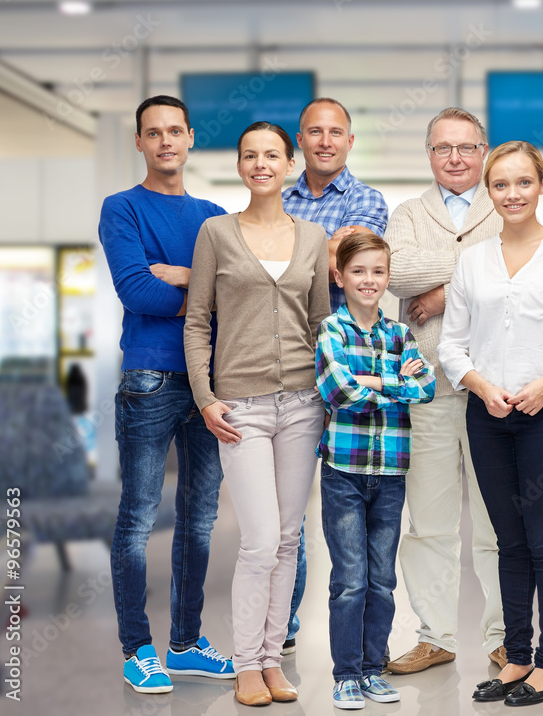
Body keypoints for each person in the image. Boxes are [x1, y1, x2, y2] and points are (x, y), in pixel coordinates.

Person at [439, 141, 543, 707]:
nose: (512, 194)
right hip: (486, 414)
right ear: (490, 193)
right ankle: (515, 658)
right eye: (501, 185)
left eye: (522, 183)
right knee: (506, 542)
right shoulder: (472, 260)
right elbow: (451, 345)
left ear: (541, 185)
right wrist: (482, 387)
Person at [183, 122, 330, 706]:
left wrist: (332, 395)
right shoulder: (215, 232)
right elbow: (197, 322)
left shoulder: (314, 236)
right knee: (260, 539)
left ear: (289, 164)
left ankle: (273, 662)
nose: (261, 163)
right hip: (238, 406)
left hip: (302, 404)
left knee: (290, 538)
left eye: (272, 154)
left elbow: (321, 324)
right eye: (251, 155)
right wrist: (205, 396)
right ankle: (246, 663)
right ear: (240, 165)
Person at [99, 95, 234, 694]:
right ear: (139, 142)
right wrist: (202, 297)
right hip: (150, 379)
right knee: (138, 517)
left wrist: (180, 279)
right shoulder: (121, 208)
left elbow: (238, 295)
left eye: (175, 131)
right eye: (153, 133)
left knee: (200, 520)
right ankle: (137, 650)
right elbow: (136, 291)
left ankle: (184, 643)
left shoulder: (211, 214)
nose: (165, 142)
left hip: (210, 383)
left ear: (190, 137)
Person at [385, 108, 506, 673]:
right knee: (428, 521)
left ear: (483, 151)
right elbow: (395, 273)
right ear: (429, 153)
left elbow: (517, 279)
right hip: (427, 390)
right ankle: (435, 636)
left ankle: (505, 635)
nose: (454, 158)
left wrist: (436, 293)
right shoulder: (407, 213)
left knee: (497, 520)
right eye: (442, 148)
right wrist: (470, 270)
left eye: (466, 147)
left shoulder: (506, 202)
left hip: (493, 389)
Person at [282, 96, 388, 654]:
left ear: (349, 141)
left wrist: (298, 253)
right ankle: (286, 627)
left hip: (349, 363)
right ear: (301, 140)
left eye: (336, 132)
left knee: (355, 495)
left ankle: (365, 637)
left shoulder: (369, 200)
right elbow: (318, 260)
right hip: (285, 365)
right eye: (314, 132)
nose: (325, 141)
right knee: (288, 508)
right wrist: (318, 251)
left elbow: (342, 264)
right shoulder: (274, 195)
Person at [314, 231, 436, 709]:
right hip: (343, 472)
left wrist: (369, 379)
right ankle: (346, 673)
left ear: (389, 278)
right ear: (339, 276)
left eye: (378, 272)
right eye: (358, 271)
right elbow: (340, 393)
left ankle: (371, 668)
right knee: (350, 579)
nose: (369, 280)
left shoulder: (401, 334)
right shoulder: (331, 330)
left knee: (382, 578)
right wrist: (391, 382)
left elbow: (425, 386)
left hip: (389, 473)